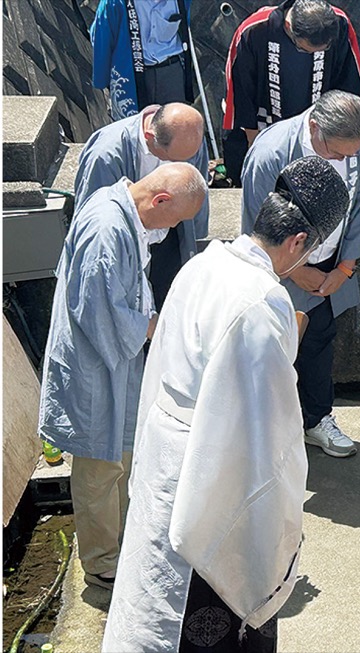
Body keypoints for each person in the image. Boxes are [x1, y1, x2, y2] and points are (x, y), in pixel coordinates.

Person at [102, 157, 349, 653]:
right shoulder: (262, 302)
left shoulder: (203, 263)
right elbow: (267, 432)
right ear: (299, 242)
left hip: (165, 452)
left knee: (154, 589)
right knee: (210, 601)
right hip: (211, 469)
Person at [37, 163, 206, 593]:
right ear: (160, 200)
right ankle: (101, 561)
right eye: (176, 220)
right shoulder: (106, 227)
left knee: (124, 453)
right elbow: (97, 310)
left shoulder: (124, 211)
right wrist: (155, 326)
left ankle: (126, 541)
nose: (172, 230)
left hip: (117, 361)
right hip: (96, 361)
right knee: (99, 465)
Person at [240, 90, 360, 459]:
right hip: (282, 271)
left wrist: (345, 268)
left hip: (332, 267)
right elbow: (258, 221)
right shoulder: (272, 153)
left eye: (351, 153)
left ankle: (317, 419)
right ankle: (265, 435)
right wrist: (296, 271)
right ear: (314, 127)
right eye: (336, 151)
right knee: (269, 351)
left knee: (318, 344)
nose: (344, 158)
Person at [75, 102, 210, 310]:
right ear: (150, 138)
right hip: (126, 244)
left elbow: (197, 194)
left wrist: (197, 243)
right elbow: (92, 218)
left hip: (171, 236)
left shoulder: (188, 138)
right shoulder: (106, 155)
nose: (182, 165)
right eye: (174, 160)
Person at [222, 0, 360, 185]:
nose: (309, 55)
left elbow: (350, 85)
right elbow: (241, 92)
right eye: (303, 49)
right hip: (264, 125)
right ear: (289, 26)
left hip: (318, 131)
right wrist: (256, 145)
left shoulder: (340, 22)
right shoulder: (255, 30)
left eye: (323, 50)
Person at [90, 0, 198, 120]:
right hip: (130, 75)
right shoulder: (115, 3)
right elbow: (101, 39)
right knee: (133, 129)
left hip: (171, 72)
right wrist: (104, 81)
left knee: (174, 128)